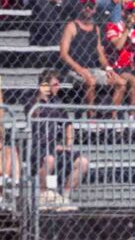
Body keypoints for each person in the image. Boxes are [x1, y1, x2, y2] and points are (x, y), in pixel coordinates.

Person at [29, 69, 90, 206]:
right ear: (45, 85)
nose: (59, 87)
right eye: (55, 84)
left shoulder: (57, 102)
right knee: (49, 159)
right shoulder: (33, 101)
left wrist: (68, 145)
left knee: (83, 162)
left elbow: (68, 124)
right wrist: (41, 97)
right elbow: (33, 114)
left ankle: (65, 196)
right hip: (39, 145)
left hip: (55, 145)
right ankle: (43, 194)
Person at [58, 0, 125, 113]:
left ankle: (112, 116)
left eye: (91, 6)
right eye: (85, 5)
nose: (88, 9)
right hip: (73, 71)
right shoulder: (72, 26)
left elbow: (100, 54)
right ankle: (91, 116)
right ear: (80, 7)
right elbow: (63, 54)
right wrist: (80, 69)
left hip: (92, 69)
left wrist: (108, 68)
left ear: (94, 9)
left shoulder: (96, 29)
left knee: (121, 82)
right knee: (91, 80)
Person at [104, 1, 135, 106]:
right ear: (124, 13)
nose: (134, 14)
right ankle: (129, 113)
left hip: (131, 67)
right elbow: (118, 46)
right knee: (134, 80)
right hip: (116, 67)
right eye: (131, 11)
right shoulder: (112, 26)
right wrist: (127, 28)